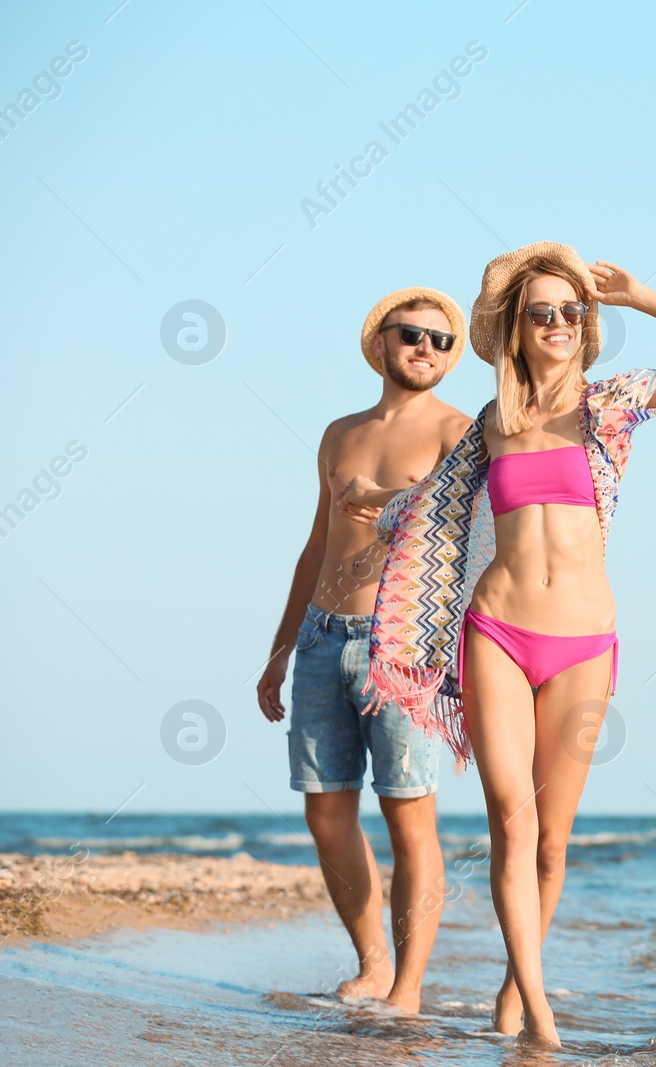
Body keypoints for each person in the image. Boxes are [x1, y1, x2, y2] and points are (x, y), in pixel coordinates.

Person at [345, 242, 656, 1046]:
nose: (560, 322)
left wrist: (640, 296)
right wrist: (377, 503)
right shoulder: (491, 425)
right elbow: (431, 506)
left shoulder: (612, 406)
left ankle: (510, 984)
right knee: (510, 820)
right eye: (543, 312)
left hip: (585, 645)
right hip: (496, 631)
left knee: (554, 841)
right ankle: (541, 1012)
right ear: (517, 328)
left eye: (573, 311)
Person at [256, 288, 474, 1012]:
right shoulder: (338, 433)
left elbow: (470, 543)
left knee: (410, 814)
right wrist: (281, 646)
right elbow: (317, 545)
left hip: (401, 646)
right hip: (322, 634)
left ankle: (409, 986)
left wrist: (391, 502)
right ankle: (373, 960)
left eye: (444, 341)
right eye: (413, 334)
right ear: (379, 342)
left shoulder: (457, 432)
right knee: (325, 812)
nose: (428, 349)